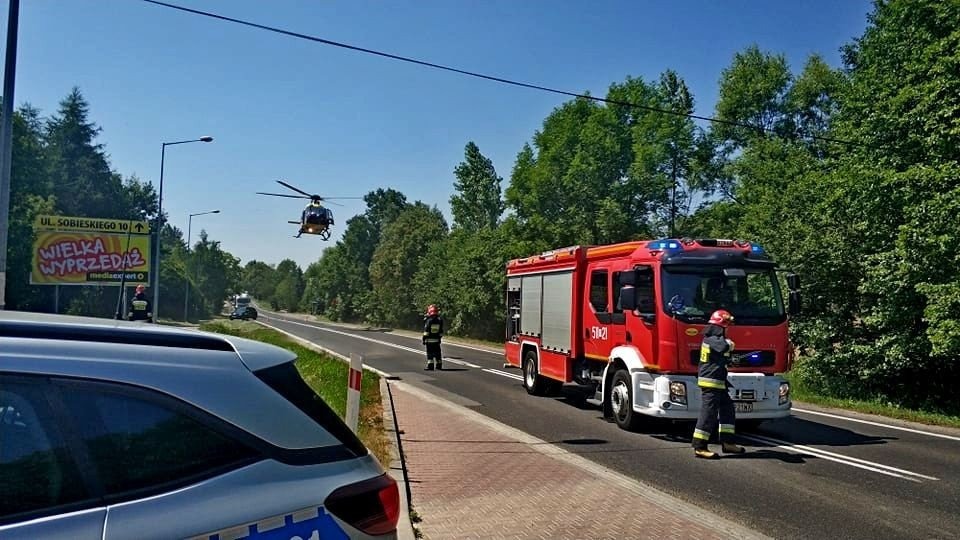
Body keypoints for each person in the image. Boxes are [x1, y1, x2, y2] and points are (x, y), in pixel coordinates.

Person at [692, 309, 745, 459]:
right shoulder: (712, 338)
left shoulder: (715, 338)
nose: (726, 330)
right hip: (711, 382)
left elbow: (720, 356)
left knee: (728, 409)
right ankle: (700, 446)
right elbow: (723, 347)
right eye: (725, 327)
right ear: (719, 327)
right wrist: (729, 344)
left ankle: (728, 442)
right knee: (708, 413)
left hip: (719, 381)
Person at [422, 304, 444, 371]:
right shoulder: (439, 320)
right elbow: (441, 331)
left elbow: (426, 331)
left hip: (429, 341)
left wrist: (424, 339)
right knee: (438, 353)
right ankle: (439, 366)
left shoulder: (429, 321)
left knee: (430, 354)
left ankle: (430, 366)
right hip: (437, 341)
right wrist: (439, 339)